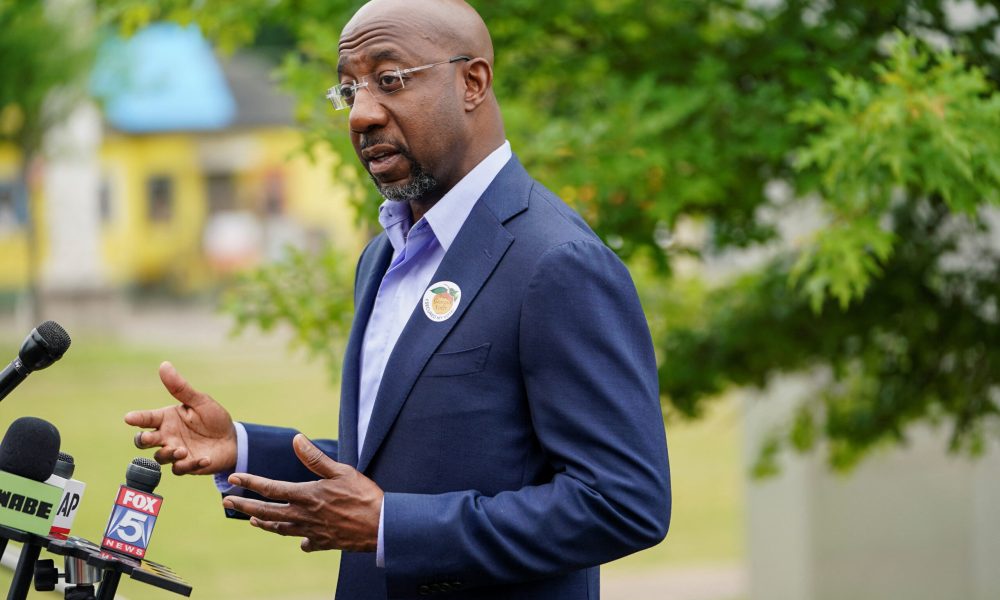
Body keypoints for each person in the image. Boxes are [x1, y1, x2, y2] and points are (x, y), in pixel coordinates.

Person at [125, 1, 671, 598]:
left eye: (390, 81)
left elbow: (624, 501)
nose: (361, 113)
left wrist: (392, 526)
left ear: (473, 82)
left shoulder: (557, 262)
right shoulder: (381, 258)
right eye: (347, 90)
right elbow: (396, 464)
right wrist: (243, 447)